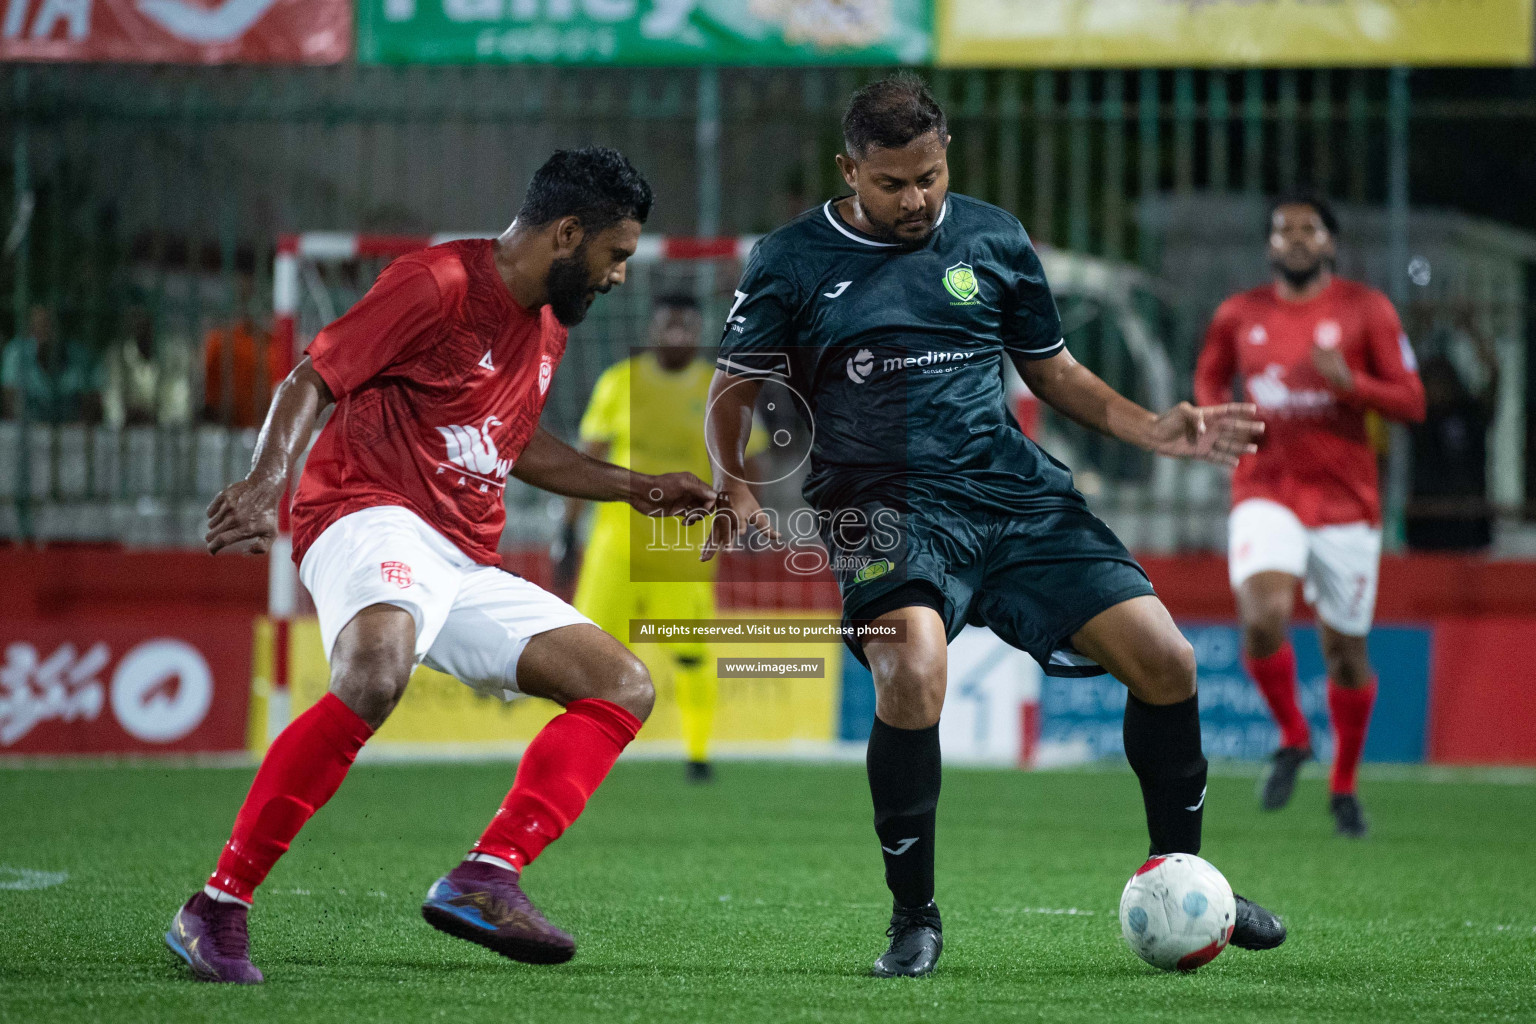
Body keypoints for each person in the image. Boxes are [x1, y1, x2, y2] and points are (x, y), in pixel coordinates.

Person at [703, 73, 1285, 978]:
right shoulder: (790, 259)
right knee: (914, 677)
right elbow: (736, 386)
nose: (916, 199)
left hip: (1014, 498)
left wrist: (1153, 428)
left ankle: (1189, 874)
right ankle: (913, 918)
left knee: (1167, 660)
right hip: (878, 508)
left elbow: (1053, 371)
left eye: (929, 177)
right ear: (847, 169)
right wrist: (734, 483)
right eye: (892, 183)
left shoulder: (993, 237)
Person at [164, 148, 716, 984]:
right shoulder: (440, 284)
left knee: (621, 685)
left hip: (462, 553)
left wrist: (634, 488)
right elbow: (313, 377)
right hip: (366, 508)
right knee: (377, 669)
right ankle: (217, 906)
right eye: (616, 254)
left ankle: (487, 875)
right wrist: (265, 481)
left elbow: (512, 439)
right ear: (568, 234)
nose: (620, 277)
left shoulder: (548, 325)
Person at [1194, 193, 1425, 838]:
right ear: (1270, 246)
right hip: (1266, 488)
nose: (1295, 239)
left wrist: (1352, 383)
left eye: (1309, 229)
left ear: (1329, 242)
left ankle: (1344, 786)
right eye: (1283, 230)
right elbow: (1209, 381)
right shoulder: (1239, 314)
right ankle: (1294, 735)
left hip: (1346, 503)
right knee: (1262, 615)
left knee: (1346, 653)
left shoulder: (1366, 310)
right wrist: (1217, 418)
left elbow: (1413, 401)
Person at [562, 294, 766, 782]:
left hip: (683, 548)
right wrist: (566, 530)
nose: (676, 332)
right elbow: (585, 460)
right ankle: (576, 752)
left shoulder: (720, 389)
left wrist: (748, 515)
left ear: (699, 331)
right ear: (652, 328)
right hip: (616, 545)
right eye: (667, 323)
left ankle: (698, 755)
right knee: (582, 651)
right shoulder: (619, 382)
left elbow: (746, 462)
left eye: (685, 324)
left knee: (691, 653)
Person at [1406, 306, 1499, 551]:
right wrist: (1419, 332)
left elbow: (1494, 374)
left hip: (1470, 526)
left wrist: (1473, 331)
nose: (1437, 386)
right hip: (1426, 528)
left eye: (1442, 378)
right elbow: (1400, 374)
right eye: (1431, 379)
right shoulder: (1419, 416)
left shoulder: (1471, 414)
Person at [202, 274, 282, 428]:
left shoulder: (276, 345)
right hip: (231, 432)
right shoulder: (219, 342)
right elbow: (210, 400)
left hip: (267, 429)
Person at [1, 304, 102, 424]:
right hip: (28, 428)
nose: (45, 331)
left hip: (71, 428)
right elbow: (9, 397)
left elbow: (91, 398)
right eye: (39, 325)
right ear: (30, 328)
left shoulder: (79, 354)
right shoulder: (16, 352)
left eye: (49, 324)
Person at [103, 303, 193, 429]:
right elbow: (112, 397)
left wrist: (158, 417)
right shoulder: (118, 355)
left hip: (163, 430)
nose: (142, 329)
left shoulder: (173, 354)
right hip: (128, 429)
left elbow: (179, 401)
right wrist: (121, 419)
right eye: (137, 323)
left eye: (146, 323)